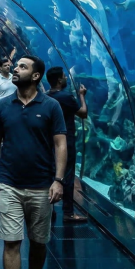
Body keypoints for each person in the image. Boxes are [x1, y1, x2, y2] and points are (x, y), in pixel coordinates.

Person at [0, 55, 68, 269]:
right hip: (9, 183)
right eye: (16, 66)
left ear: (36, 75)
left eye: (22, 66)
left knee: (39, 241)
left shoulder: (51, 106)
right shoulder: (4, 106)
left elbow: (60, 144)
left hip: (42, 186)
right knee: (11, 241)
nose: (15, 69)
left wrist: (58, 180)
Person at [45, 67, 89, 223]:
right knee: (68, 175)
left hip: (49, 141)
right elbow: (83, 113)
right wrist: (81, 96)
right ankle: (68, 212)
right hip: (66, 140)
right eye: (64, 76)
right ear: (59, 80)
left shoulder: (45, 96)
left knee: (50, 173)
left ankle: (49, 209)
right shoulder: (66, 97)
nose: (66, 79)